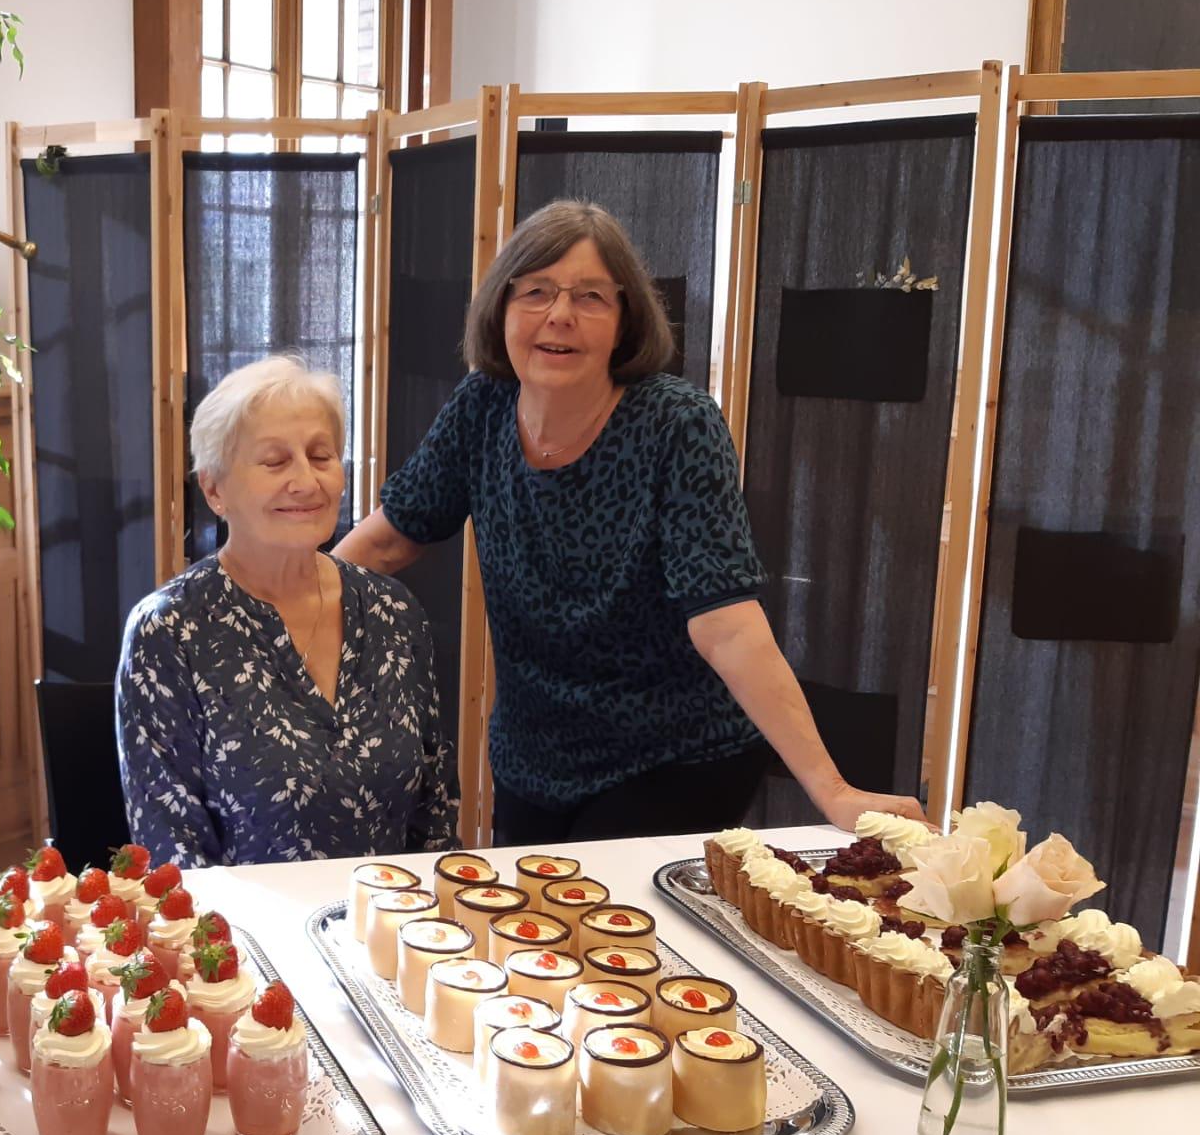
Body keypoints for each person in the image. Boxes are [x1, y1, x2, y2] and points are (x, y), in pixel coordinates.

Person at [334, 199, 928, 845]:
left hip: (674, 759)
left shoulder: (677, 424)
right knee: (531, 936)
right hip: (534, 757)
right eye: (536, 291)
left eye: (590, 296)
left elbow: (726, 626)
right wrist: (270, 616)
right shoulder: (482, 406)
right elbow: (390, 538)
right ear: (501, 307)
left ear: (625, 321)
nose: (560, 315)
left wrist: (832, 791)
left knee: (607, 936)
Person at [116, 355, 458, 866]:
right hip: (243, 938)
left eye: (320, 456)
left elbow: (436, 821)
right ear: (214, 489)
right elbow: (175, 857)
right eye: (275, 462)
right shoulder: (169, 628)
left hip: (388, 928)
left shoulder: (394, 612)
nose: (306, 481)